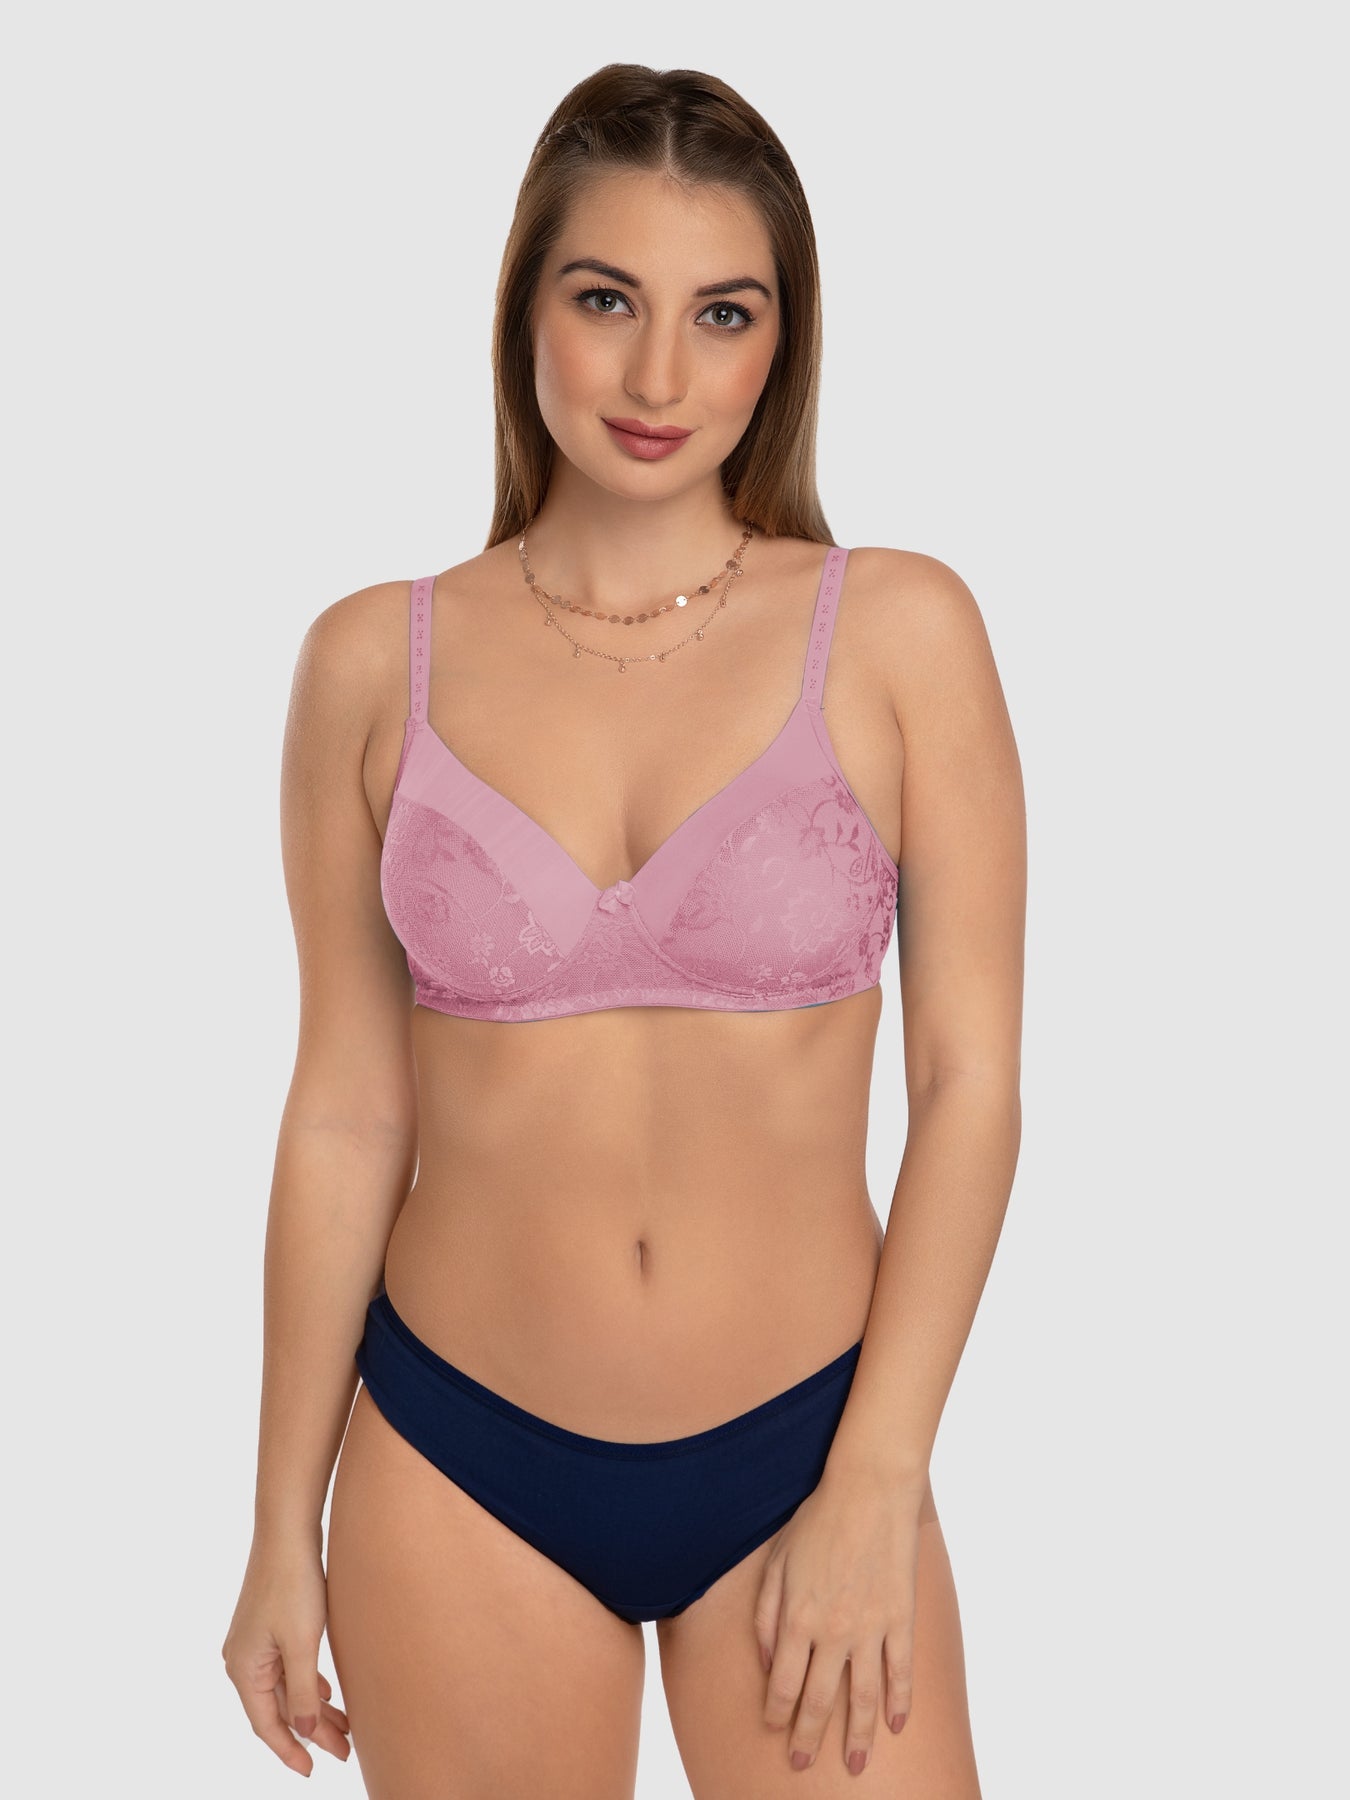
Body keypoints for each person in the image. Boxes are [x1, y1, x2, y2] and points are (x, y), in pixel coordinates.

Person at [221, 62, 1025, 1798]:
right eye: (606, 301)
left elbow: (968, 1087)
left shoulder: (898, 631)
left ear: (780, 343)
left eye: (722, 313)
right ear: (525, 307)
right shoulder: (371, 661)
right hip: (456, 1459)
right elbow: (345, 1109)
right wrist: (281, 1520)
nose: (660, 377)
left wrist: (878, 1473)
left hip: (806, 1450)